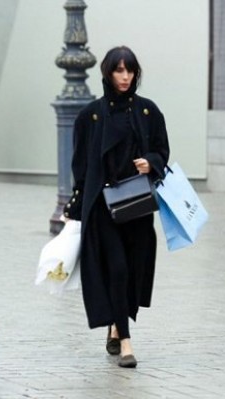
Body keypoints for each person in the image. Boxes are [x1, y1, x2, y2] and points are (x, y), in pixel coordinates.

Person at [64, 46, 170, 368]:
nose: (125, 77)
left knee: (132, 271)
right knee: (117, 269)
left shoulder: (148, 112)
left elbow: (162, 151)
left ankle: (115, 325)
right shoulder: (90, 116)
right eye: (119, 71)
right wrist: (77, 206)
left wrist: (149, 163)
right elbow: (80, 166)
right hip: (102, 207)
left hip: (136, 206)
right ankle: (126, 343)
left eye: (130, 70)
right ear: (108, 73)